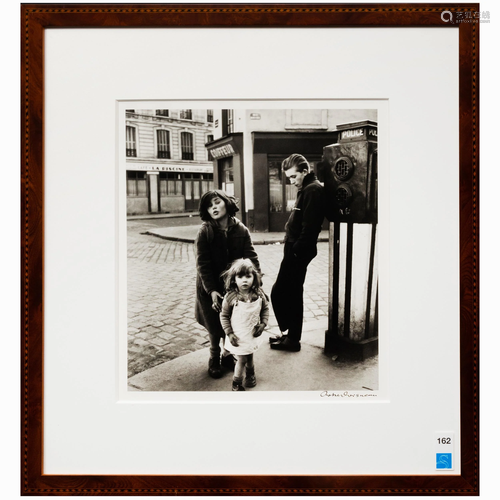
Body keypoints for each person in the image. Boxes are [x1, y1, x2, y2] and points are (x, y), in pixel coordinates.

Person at [195, 190, 261, 379]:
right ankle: (214, 357)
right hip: (210, 287)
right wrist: (212, 290)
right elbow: (202, 264)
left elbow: (252, 258)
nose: (213, 207)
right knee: (214, 324)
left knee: (232, 321)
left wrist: (257, 281)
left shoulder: (241, 230)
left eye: (217, 202)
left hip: (234, 287)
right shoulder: (205, 231)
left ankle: (227, 355)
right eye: (209, 205)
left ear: (227, 203)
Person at [270, 153, 325, 352]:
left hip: (298, 249)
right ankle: (290, 336)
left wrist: (295, 251)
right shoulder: (307, 188)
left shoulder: (313, 190)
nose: (292, 182)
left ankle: (292, 338)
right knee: (290, 292)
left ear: (305, 171)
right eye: (289, 178)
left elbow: (310, 228)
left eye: (294, 177)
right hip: (294, 248)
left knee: (282, 292)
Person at [220, 259, 269, 391]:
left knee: (250, 353)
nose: (245, 280)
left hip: (252, 332)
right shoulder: (231, 297)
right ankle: (236, 384)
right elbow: (224, 315)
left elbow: (265, 309)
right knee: (241, 359)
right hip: (238, 335)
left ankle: (250, 374)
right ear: (234, 279)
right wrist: (229, 333)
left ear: (254, 277)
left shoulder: (258, 294)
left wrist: (263, 324)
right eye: (240, 276)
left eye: (248, 276)